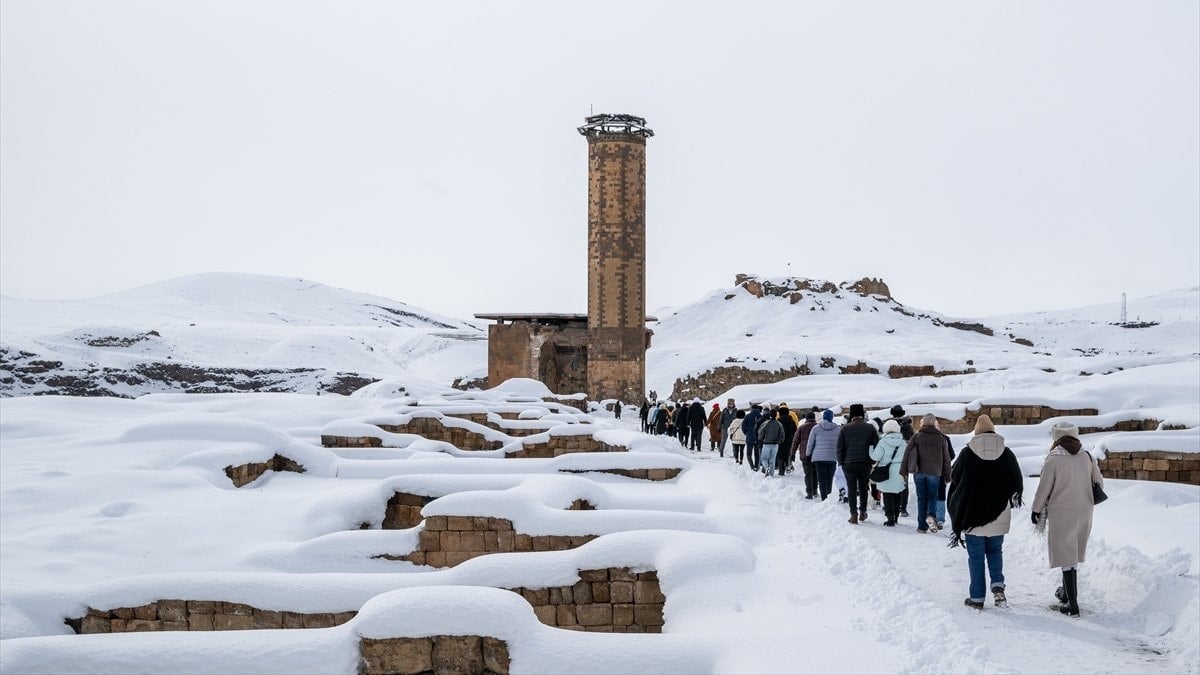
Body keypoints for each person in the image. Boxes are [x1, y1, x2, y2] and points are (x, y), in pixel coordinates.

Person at [947, 415, 1024, 610]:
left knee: (976, 556)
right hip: (999, 514)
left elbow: (955, 480)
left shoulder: (966, 454)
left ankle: (977, 597)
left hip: (973, 516)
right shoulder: (1007, 453)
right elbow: (1016, 482)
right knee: (995, 551)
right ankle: (998, 586)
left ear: (976, 432)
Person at [1030, 422, 1104, 617]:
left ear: (1056, 438)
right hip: (1084, 509)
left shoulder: (1053, 459)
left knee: (1065, 551)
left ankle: (1072, 603)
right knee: (1073, 550)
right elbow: (1099, 482)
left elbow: (1043, 489)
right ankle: (1065, 593)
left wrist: (1036, 510)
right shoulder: (1087, 456)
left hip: (1061, 511)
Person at [902, 413, 953, 533]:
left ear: (923, 423)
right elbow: (946, 458)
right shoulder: (941, 438)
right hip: (935, 472)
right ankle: (931, 515)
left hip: (919, 472)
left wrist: (903, 471)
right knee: (932, 497)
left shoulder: (916, 436)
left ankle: (921, 526)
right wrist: (947, 476)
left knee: (921, 498)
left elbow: (907, 454)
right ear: (934, 423)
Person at [837, 403, 879, 524]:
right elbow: (876, 445)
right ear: (862, 414)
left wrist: (841, 462)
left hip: (848, 463)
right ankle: (863, 512)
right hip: (865, 462)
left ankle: (853, 514)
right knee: (863, 487)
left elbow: (840, 448)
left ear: (852, 415)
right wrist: (873, 461)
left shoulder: (845, 428)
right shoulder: (870, 428)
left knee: (851, 488)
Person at [869, 419, 908, 526]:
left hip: (886, 470)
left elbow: (875, 457)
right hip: (900, 470)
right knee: (897, 494)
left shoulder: (883, 442)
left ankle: (890, 518)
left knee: (887, 495)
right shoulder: (903, 442)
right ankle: (896, 517)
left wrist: (871, 448)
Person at [806, 409, 840, 500]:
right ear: (832, 417)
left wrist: (808, 453)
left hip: (818, 458)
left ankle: (824, 497)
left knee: (821, 478)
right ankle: (828, 496)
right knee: (829, 478)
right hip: (832, 457)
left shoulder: (816, 428)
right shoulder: (837, 429)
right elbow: (840, 444)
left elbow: (810, 442)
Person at [889, 405, 915, 517]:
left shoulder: (890, 425)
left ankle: (891, 505)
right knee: (904, 483)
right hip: (904, 457)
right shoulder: (908, 427)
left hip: (891, 458)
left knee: (891, 481)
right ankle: (902, 508)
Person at [792, 411, 818, 498]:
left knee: (808, 473)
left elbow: (795, 441)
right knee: (815, 473)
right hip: (816, 454)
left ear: (806, 418)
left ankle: (809, 492)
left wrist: (792, 453)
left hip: (805, 454)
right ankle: (815, 490)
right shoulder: (818, 427)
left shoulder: (801, 428)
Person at [757, 409, 785, 477]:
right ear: (776, 415)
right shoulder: (779, 424)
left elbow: (760, 432)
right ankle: (771, 474)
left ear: (770, 415)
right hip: (775, 444)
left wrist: (761, 438)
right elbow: (782, 434)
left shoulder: (765, 423)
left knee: (764, 458)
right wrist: (780, 441)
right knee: (772, 459)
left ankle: (766, 468)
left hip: (766, 443)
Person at [777, 402, 798, 475]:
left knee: (780, 455)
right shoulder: (792, 421)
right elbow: (795, 430)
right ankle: (788, 466)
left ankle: (781, 471)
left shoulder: (778, 421)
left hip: (781, 441)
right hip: (790, 440)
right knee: (788, 454)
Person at [742, 404, 764, 471]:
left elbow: (743, 426)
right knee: (757, 453)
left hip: (749, 437)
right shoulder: (761, 416)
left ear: (751, 408)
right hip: (758, 438)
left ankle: (752, 466)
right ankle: (757, 467)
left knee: (749, 454)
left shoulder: (748, 416)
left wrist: (746, 433)